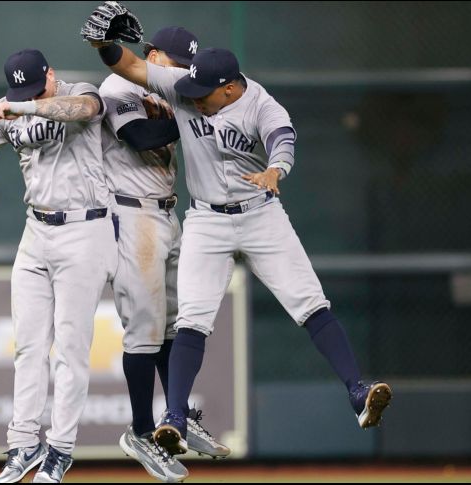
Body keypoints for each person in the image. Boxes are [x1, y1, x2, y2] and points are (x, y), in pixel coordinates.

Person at [87, 11, 393, 457]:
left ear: (230, 88)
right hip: (207, 220)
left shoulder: (261, 105)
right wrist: (102, 45)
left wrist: (276, 169)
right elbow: (131, 66)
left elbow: (283, 139)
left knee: (310, 302)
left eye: (203, 93)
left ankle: (357, 392)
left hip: (260, 214)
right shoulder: (186, 87)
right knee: (191, 318)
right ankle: (174, 418)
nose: (191, 98)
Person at [0, 48, 116, 484]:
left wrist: (23, 105)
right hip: (37, 231)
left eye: (34, 86)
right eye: (19, 90)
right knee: (28, 346)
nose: (25, 95)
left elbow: (85, 109)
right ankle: (23, 443)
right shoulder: (6, 109)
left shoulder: (79, 91)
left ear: (50, 74)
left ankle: (60, 449)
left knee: (70, 349)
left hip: (85, 229)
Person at [97, 26, 229, 482]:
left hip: (168, 212)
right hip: (130, 215)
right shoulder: (117, 86)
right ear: (151, 54)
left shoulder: (168, 90)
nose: (179, 72)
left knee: (176, 323)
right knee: (145, 330)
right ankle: (139, 431)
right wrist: (191, 114)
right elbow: (140, 137)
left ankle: (176, 413)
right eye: (174, 62)